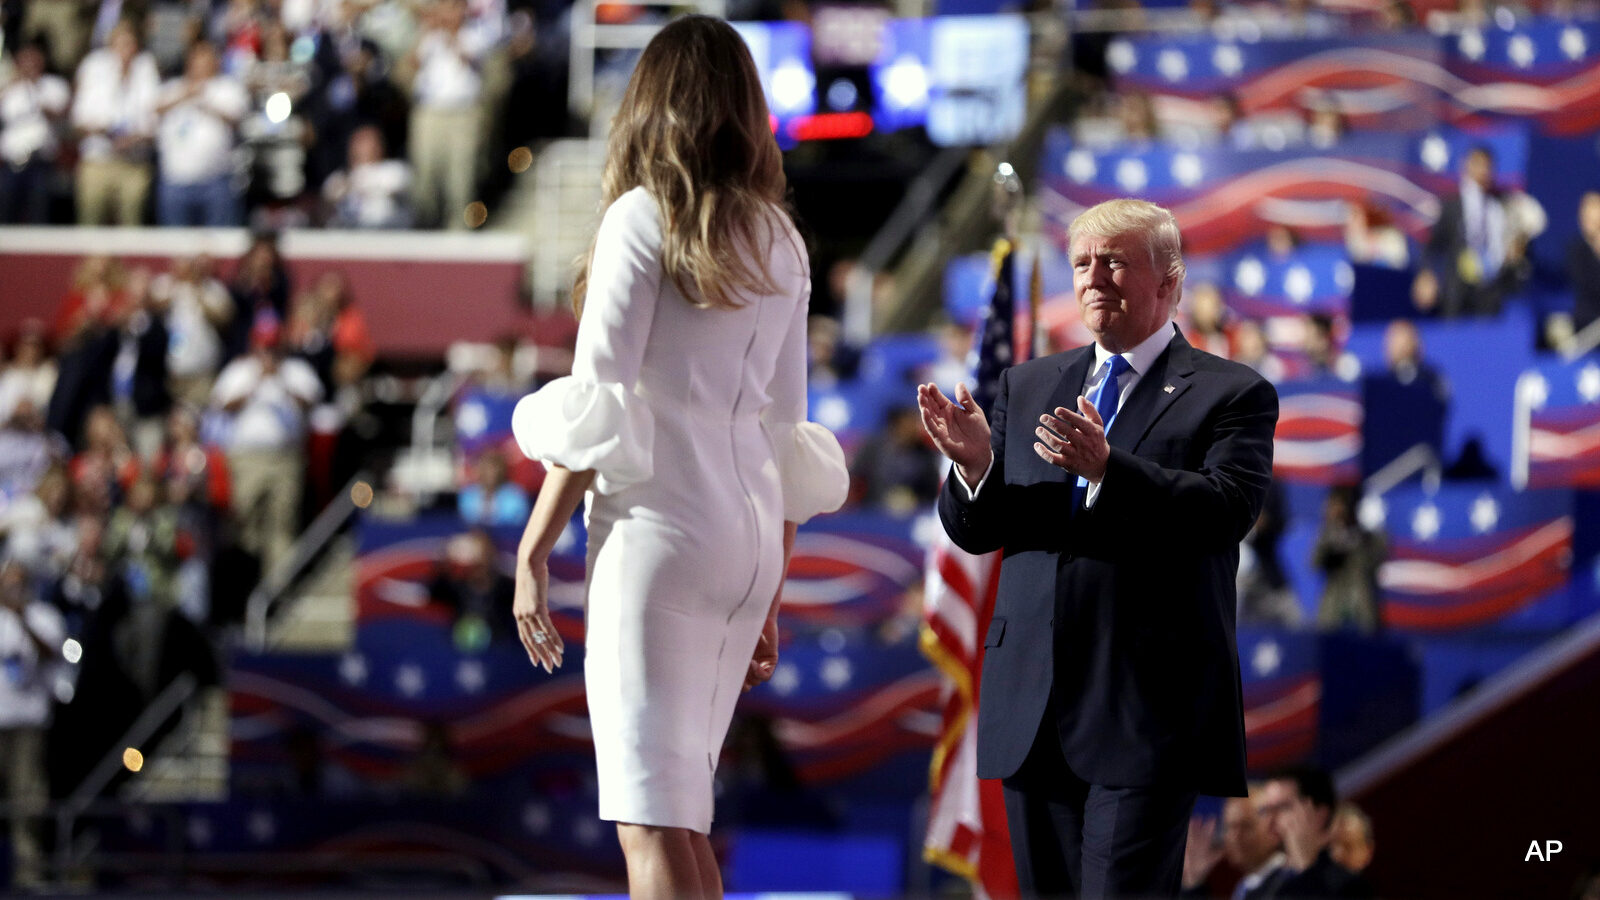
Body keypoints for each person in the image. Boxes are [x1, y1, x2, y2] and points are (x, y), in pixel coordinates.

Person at [506, 17, 847, 899]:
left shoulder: (638, 218)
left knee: (649, 821)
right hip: (745, 547)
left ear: (649, 105)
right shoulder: (782, 237)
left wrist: (533, 547)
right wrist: (770, 588)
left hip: (658, 537)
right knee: (678, 817)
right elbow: (787, 436)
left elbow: (599, 403)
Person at [919, 198, 1279, 898]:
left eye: (1114, 261)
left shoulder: (1232, 392)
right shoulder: (1027, 386)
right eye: (1082, 263)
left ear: (1169, 282)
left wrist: (1111, 471)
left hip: (1145, 710)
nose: (1093, 278)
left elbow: (1225, 509)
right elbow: (981, 529)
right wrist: (975, 469)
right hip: (1032, 703)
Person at [1255, 767, 1373, 898]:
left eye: (1282, 808)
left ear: (1319, 815)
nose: (1269, 821)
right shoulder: (1260, 891)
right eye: (1266, 810)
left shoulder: (1347, 886)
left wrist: (1305, 867)